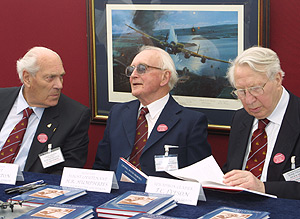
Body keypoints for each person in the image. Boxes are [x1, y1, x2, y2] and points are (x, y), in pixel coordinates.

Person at [93, 45, 211, 177]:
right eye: (131, 69)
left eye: (142, 69)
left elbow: (199, 178)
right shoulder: (117, 113)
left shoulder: (190, 123)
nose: (133, 75)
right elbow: (101, 167)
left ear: (165, 77)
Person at [222, 46, 300, 199]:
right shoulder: (240, 118)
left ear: (277, 79)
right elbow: (231, 169)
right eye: (241, 92)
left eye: (256, 89)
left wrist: (262, 187)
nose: (249, 100)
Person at [0, 46, 91, 175]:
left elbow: (65, 174)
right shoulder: (2, 99)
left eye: (61, 77)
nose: (59, 85)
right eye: (50, 78)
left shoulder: (74, 116)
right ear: (27, 78)